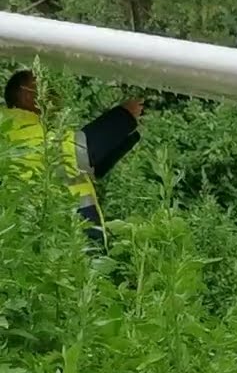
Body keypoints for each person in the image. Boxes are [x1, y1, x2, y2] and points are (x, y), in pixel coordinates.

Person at [2, 69, 143, 247]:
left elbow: (90, 167)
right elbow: (81, 151)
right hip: (65, 237)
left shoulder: (12, 126)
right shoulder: (22, 127)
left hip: (47, 233)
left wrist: (130, 132)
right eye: (46, 87)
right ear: (26, 95)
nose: (54, 93)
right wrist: (125, 115)